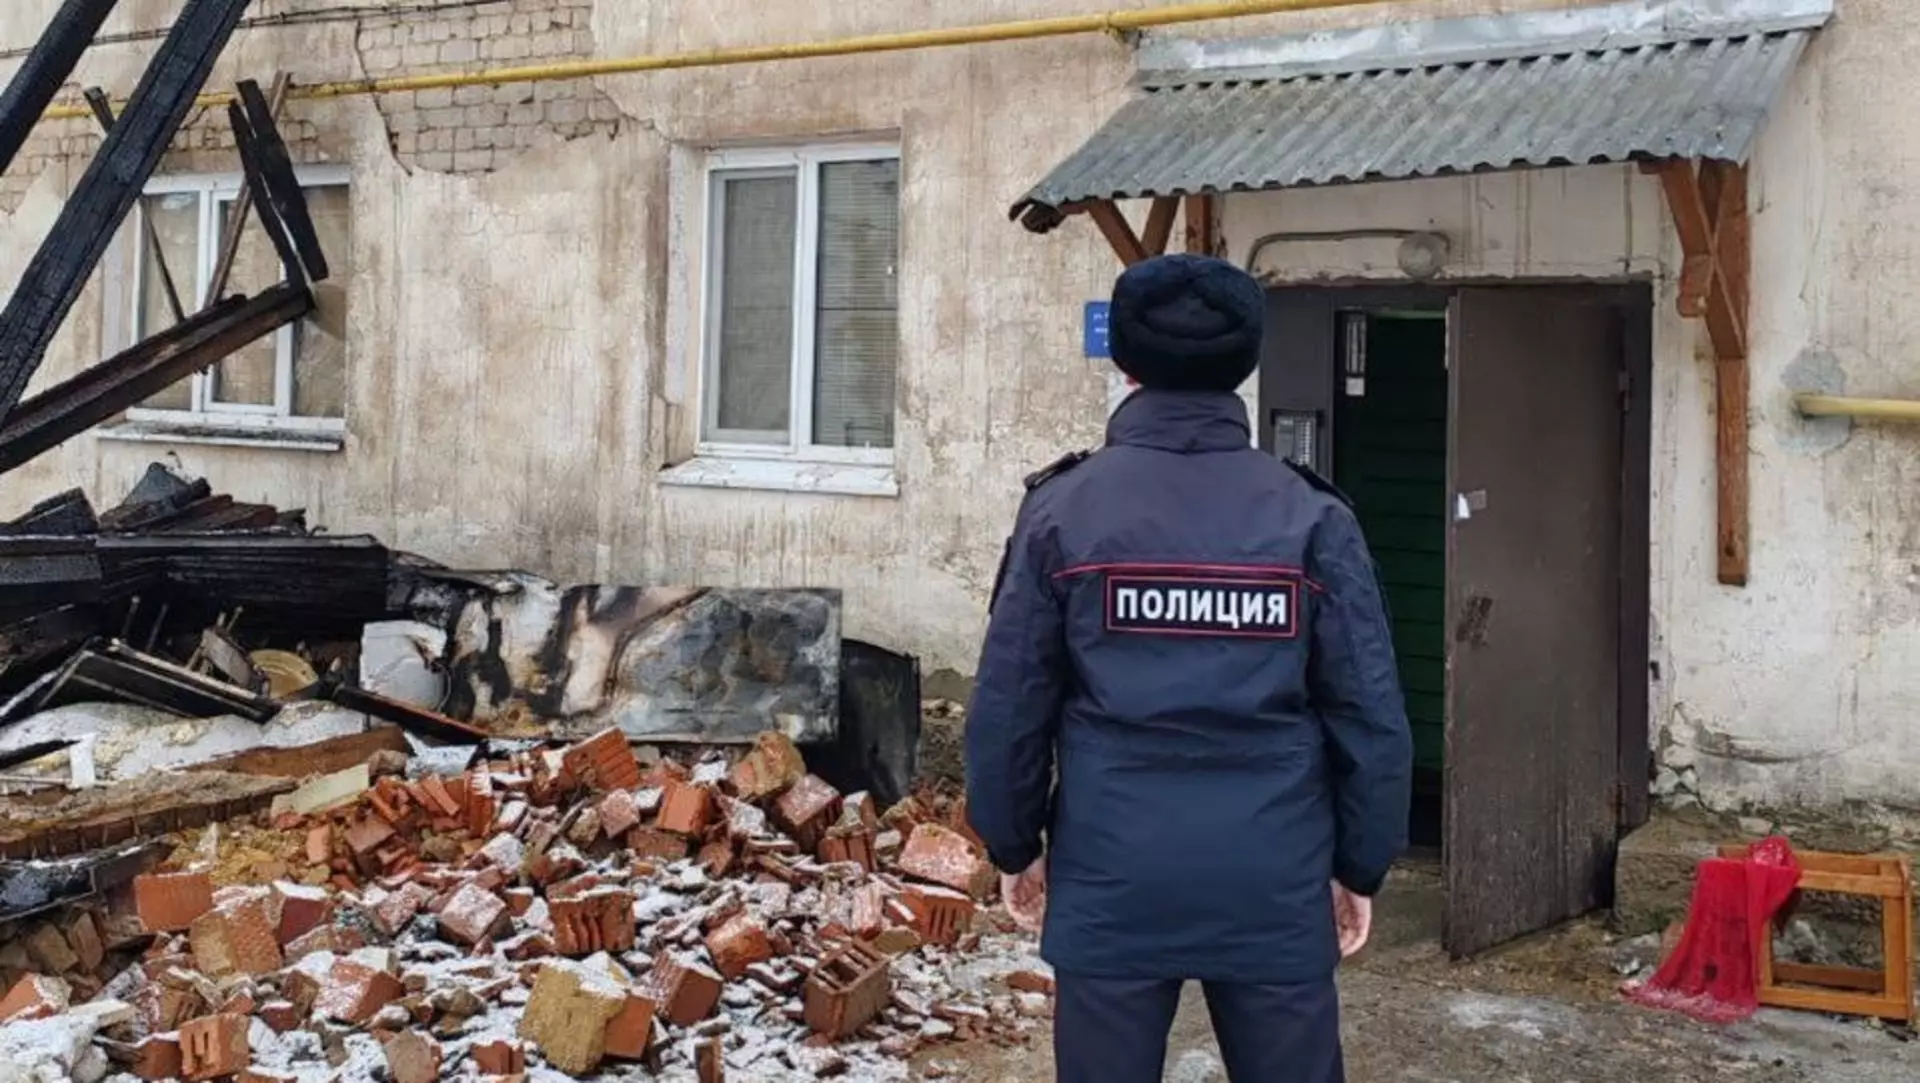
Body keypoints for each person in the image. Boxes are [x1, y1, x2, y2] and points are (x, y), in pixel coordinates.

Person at [964, 253, 1413, 1083]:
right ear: (1245, 361)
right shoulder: (1312, 516)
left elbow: (1010, 704)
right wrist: (1360, 863)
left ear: (1127, 362)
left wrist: (1013, 843)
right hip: (1272, 878)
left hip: (1113, 874)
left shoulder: (1062, 511)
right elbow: (1370, 714)